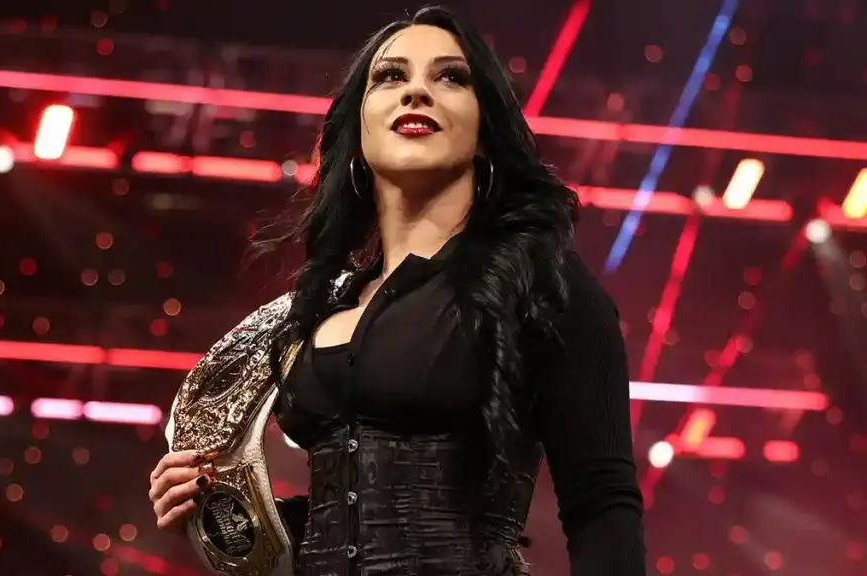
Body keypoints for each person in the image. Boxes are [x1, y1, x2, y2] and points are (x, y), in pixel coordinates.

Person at [149, 6, 646, 575]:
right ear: (359, 128)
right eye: (389, 76)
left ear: (486, 131)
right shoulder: (318, 310)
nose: (416, 91)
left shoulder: (540, 280)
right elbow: (343, 521)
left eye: (450, 76)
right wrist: (219, 511)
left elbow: (600, 503)